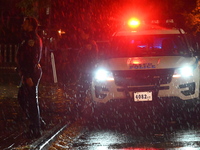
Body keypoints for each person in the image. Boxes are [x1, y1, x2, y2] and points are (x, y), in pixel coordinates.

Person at [16, 17, 45, 138]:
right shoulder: (27, 37)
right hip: (27, 73)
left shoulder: (32, 39)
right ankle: (37, 122)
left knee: (31, 100)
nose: (23, 24)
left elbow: (32, 59)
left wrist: (28, 75)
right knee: (24, 98)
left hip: (31, 73)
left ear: (31, 26)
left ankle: (36, 128)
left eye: (26, 23)